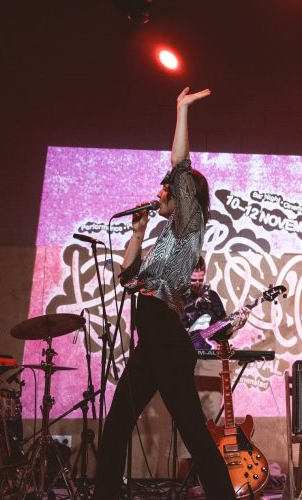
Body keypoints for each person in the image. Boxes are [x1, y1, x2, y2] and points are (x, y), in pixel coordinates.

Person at [92, 88, 236, 500]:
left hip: (166, 341)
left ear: (182, 194)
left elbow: (179, 164)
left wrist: (181, 110)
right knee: (118, 422)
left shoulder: (190, 223)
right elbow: (127, 279)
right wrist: (137, 233)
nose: (158, 194)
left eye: (164, 189)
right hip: (151, 339)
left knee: (193, 431)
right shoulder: (164, 238)